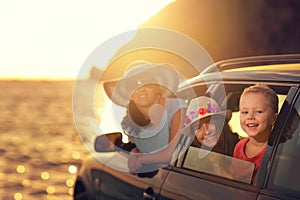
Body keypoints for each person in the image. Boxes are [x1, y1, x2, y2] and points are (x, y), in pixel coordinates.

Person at [103, 61, 187, 173]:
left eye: (146, 83)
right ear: (130, 95)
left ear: (157, 88)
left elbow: (170, 154)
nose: (141, 88)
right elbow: (150, 148)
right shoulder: (129, 123)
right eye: (134, 85)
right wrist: (136, 151)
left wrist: (140, 159)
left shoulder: (177, 109)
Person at [232, 84, 278, 182]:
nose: (250, 117)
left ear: (274, 119)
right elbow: (234, 179)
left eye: (259, 111)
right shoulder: (239, 146)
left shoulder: (276, 152)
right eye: (245, 112)